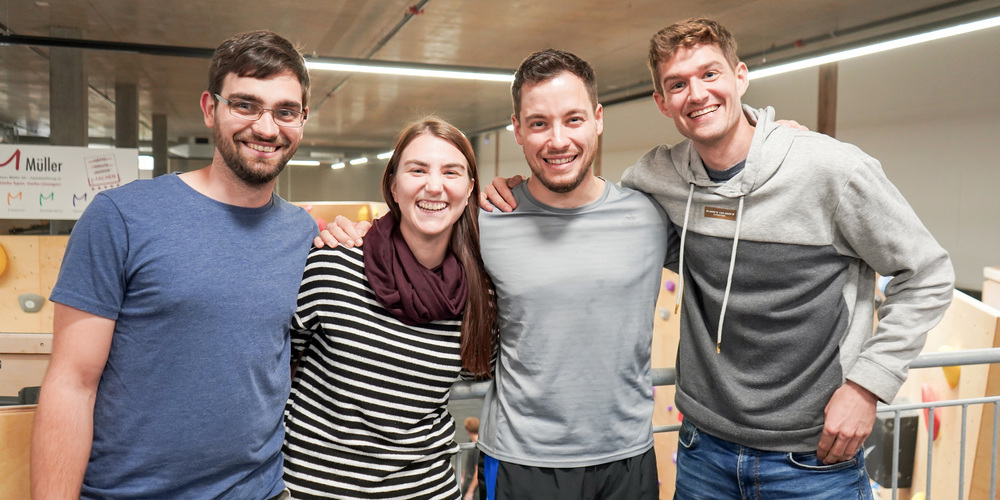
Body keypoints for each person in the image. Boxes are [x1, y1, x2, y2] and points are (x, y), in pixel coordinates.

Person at [488, 17, 955, 499]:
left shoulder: (830, 170)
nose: (696, 94)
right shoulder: (657, 180)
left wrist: (866, 386)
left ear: (740, 76)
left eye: (709, 74)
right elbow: (587, 199)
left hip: (813, 458)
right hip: (702, 453)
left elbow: (928, 274)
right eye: (677, 84)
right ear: (662, 102)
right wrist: (513, 193)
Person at [320, 49, 669, 500]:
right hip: (521, 461)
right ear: (517, 129)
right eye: (539, 123)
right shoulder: (485, 222)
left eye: (573, 119)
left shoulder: (650, 216)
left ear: (598, 119)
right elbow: (415, 233)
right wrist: (356, 232)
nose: (558, 140)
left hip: (628, 457)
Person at [31, 30, 317, 499]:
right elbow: (71, 385)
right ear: (209, 108)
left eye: (285, 111)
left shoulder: (302, 233)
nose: (267, 129)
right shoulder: (122, 216)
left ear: (302, 119)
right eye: (245, 105)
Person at [282, 118, 497, 499]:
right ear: (394, 185)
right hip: (315, 489)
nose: (435, 185)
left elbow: (483, 369)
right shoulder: (335, 265)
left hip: (426, 489)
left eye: (451, 172)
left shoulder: (477, 296)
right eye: (418, 170)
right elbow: (275, 368)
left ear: (469, 190)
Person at [461, 417, 481, 500]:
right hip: (468, 482)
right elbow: (468, 463)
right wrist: (463, 477)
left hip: (475, 488)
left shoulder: (477, 447)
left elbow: (478, 471)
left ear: (468, 429)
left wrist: (470, 491)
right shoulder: (471, 442)